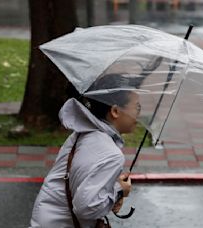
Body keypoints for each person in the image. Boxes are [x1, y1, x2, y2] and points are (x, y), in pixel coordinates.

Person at [30, 74, 141, 227]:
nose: (139, 113)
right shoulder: (111, 154)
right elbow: (86, 208)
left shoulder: (81, 134)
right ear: (115, 111)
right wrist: (119, 190)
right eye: (137, 107)